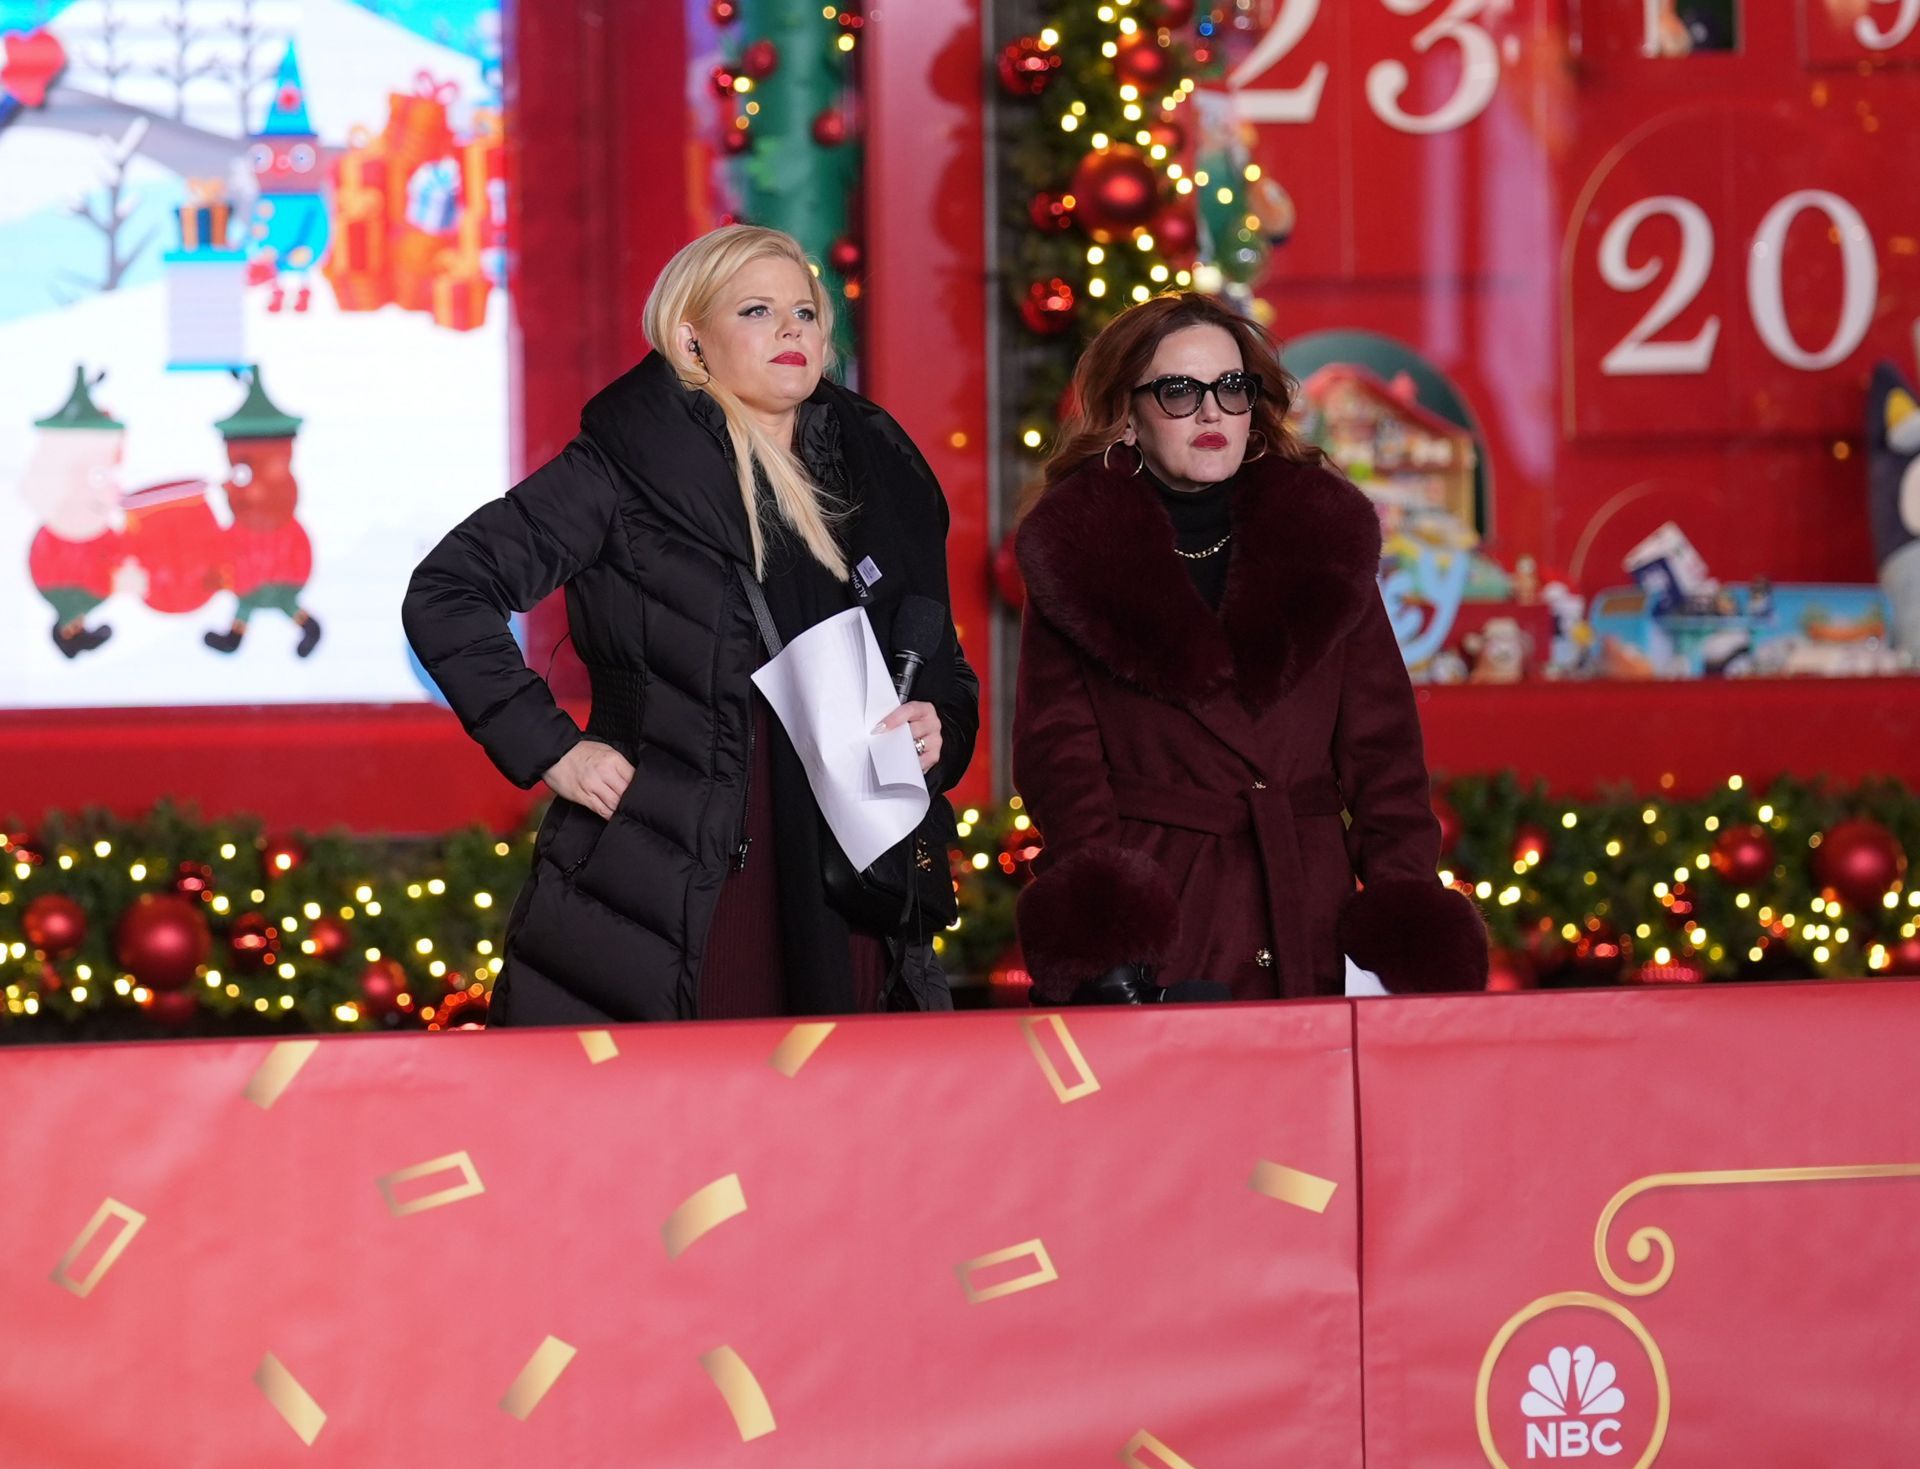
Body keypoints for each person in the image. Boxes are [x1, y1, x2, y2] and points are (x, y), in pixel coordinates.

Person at [404, 225, 976, 1025]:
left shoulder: (879, 464)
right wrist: (553, 749)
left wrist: (937, 723)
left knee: (844, 1132)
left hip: (854, 875)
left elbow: (937, 651)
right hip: (677, 883)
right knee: (685, 1134)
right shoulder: (622, 466)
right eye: (757, 310)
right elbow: (448, 591)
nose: (791, 331)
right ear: (690, 337)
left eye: (806, 313)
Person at [1011, 294, 1485, 1003]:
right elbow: (1060, 767)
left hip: (1309, 910)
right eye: (1178, 391)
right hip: (1164, 922)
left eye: (1231, 388)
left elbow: (1385, 757)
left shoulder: (1324, 539)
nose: (1210, 413)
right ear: (1127, 414)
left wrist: (1401, 906)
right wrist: (1112, 941)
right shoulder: (1077, 555)